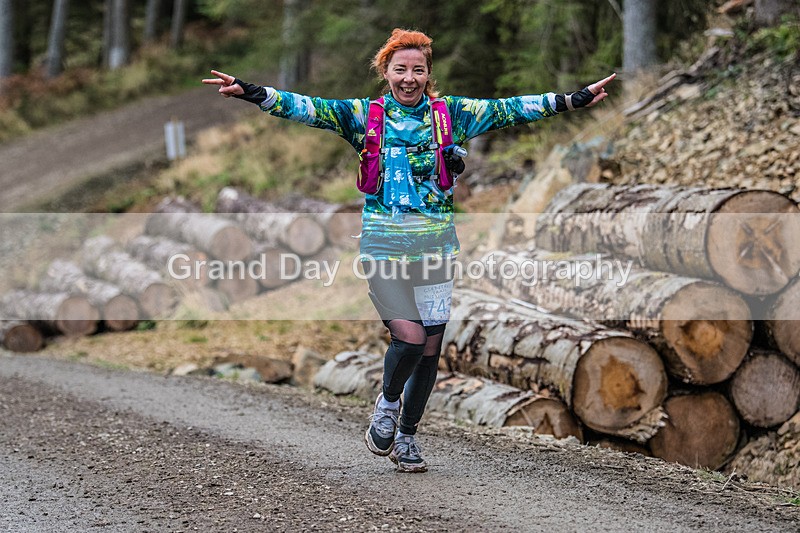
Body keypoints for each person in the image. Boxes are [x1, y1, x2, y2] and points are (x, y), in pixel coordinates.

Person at [203, 28, 615, 473]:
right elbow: (309, 108)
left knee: (430, 350)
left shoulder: (450, 114)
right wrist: (252, 92)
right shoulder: (365, 116)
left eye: (418, 70)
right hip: (382, 243)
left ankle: (407, 438)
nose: (409, 78)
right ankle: (386, 404)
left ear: (428, 74)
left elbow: (509, 110)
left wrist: (571, 100)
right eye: (400, 69)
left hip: (435, 247)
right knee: (411, 337)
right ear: (386, 71)